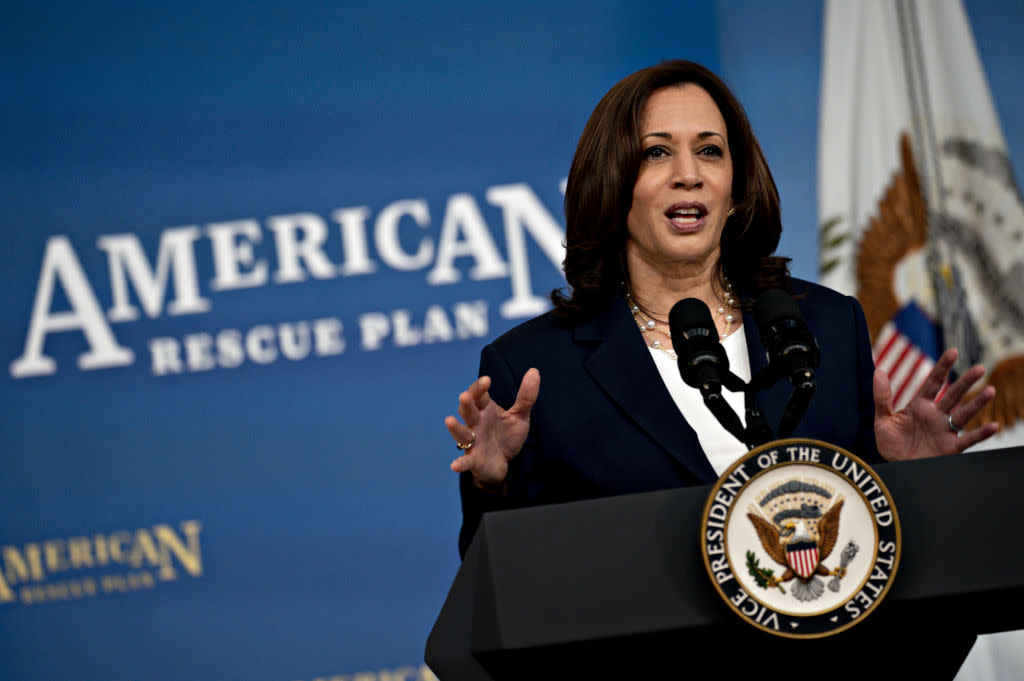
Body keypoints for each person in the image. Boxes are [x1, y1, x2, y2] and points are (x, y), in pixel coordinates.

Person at [443, 60, 999, 559]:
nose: (690, 173)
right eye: (656, 152)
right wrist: (493, 485)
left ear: (736, 188)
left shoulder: (827, 325)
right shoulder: (537, 368)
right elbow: (514, 588)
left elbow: (864, 545)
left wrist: (908, 482)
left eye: (710, 150)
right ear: (613, 184)